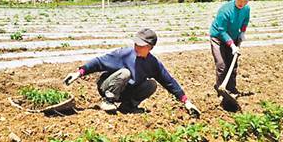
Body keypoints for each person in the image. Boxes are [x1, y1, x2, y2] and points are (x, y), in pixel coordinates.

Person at [63, 28, 201, 115]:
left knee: (151, 85)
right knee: (125, 73)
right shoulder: (124, 53)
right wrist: (79, 73)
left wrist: (186, 101)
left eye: (140, 45)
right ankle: (107, 101)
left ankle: (127, 106)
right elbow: (98, 62)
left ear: (150, 48)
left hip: (126, 92)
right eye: (135, 43)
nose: (136, 46)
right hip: (108, 86)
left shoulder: (153, 63)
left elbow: (169, 81)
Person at [209, 0, 251, 96]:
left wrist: (242, 32)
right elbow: (222, 31)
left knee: (233, 64)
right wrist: (232, 46)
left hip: (233, 36)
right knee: (222, 65)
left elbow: (245, 20)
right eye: (240, 0)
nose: (242, 3)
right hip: (217, 37)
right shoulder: (225, 11)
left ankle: (231, 88)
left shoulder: (246, 8)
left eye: (245, 0)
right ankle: (221, 90)